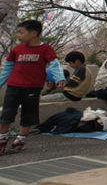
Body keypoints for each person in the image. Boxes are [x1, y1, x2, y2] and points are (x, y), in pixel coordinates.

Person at [0, 20, 66, 154]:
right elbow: (7, 68)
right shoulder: (16, 49)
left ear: (33, 33)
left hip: (33, 87)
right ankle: (2, 139)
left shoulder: (45, 48)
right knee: (7, 113)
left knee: (28, 114)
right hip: (14, 86)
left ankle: (20, 139)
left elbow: (54, 64)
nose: (18, 36)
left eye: (21, 32)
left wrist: (60, 78)